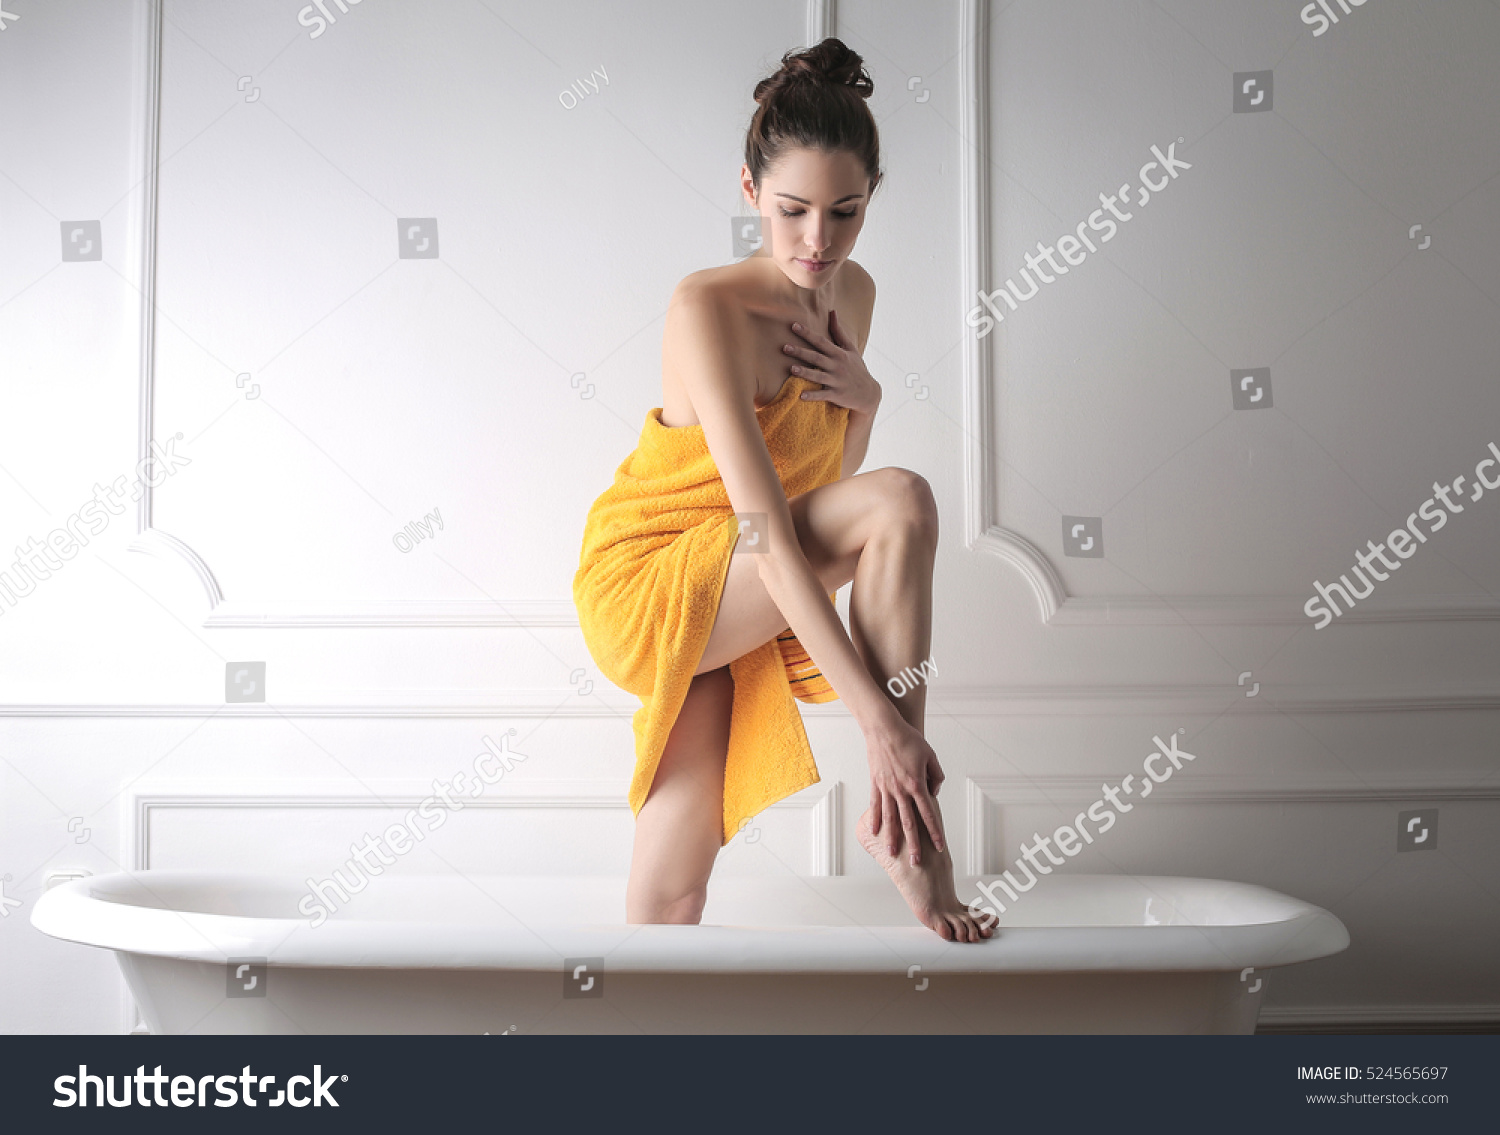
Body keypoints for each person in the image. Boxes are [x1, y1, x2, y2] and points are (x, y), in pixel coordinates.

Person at [573, 38, 994, 943]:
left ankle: (619, 1057)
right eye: (794, 210)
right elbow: (773, 531)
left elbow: (825, 501)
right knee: (904, 497)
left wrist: (867, 403)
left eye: (845, 213)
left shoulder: (857, 296)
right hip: (654, 579)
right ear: (750, 190)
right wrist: (877, 721)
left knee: (669, 900)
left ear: (871, 198)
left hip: (749, 585)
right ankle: (909, 813)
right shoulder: (708, 307)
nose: (818, 241)